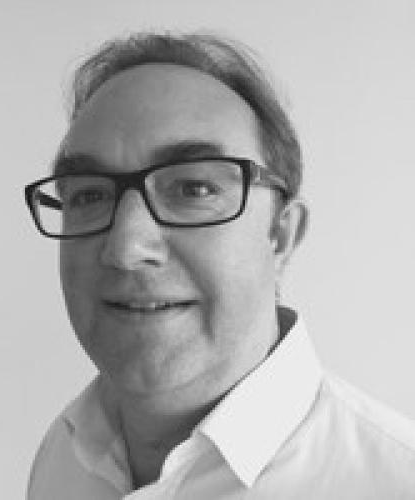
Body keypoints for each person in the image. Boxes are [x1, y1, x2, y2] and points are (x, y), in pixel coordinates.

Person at [24, 32, 415, 499]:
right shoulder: (64, 454)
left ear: (280, 235)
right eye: (89, 195)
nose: (126, 248)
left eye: (194, 189)